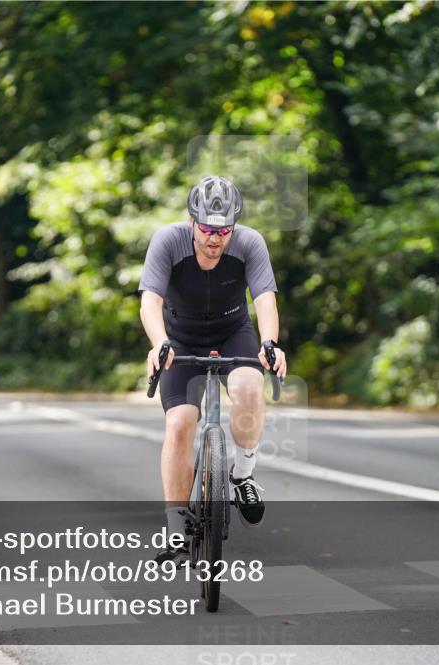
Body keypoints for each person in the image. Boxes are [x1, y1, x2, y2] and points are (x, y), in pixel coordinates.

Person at [139, 175, 286, 565]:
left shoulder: (250, 243)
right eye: (206, 228)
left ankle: (243, 476)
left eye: (223, 230)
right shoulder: (167, 241)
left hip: (232, 330)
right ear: (192, 222)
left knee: (251, 389)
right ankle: (175, 526)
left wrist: (269, 343)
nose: (214, 238)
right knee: (180, 424)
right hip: (180, 338)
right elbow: (149, 301)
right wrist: (159, 344)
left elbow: (265, 300)